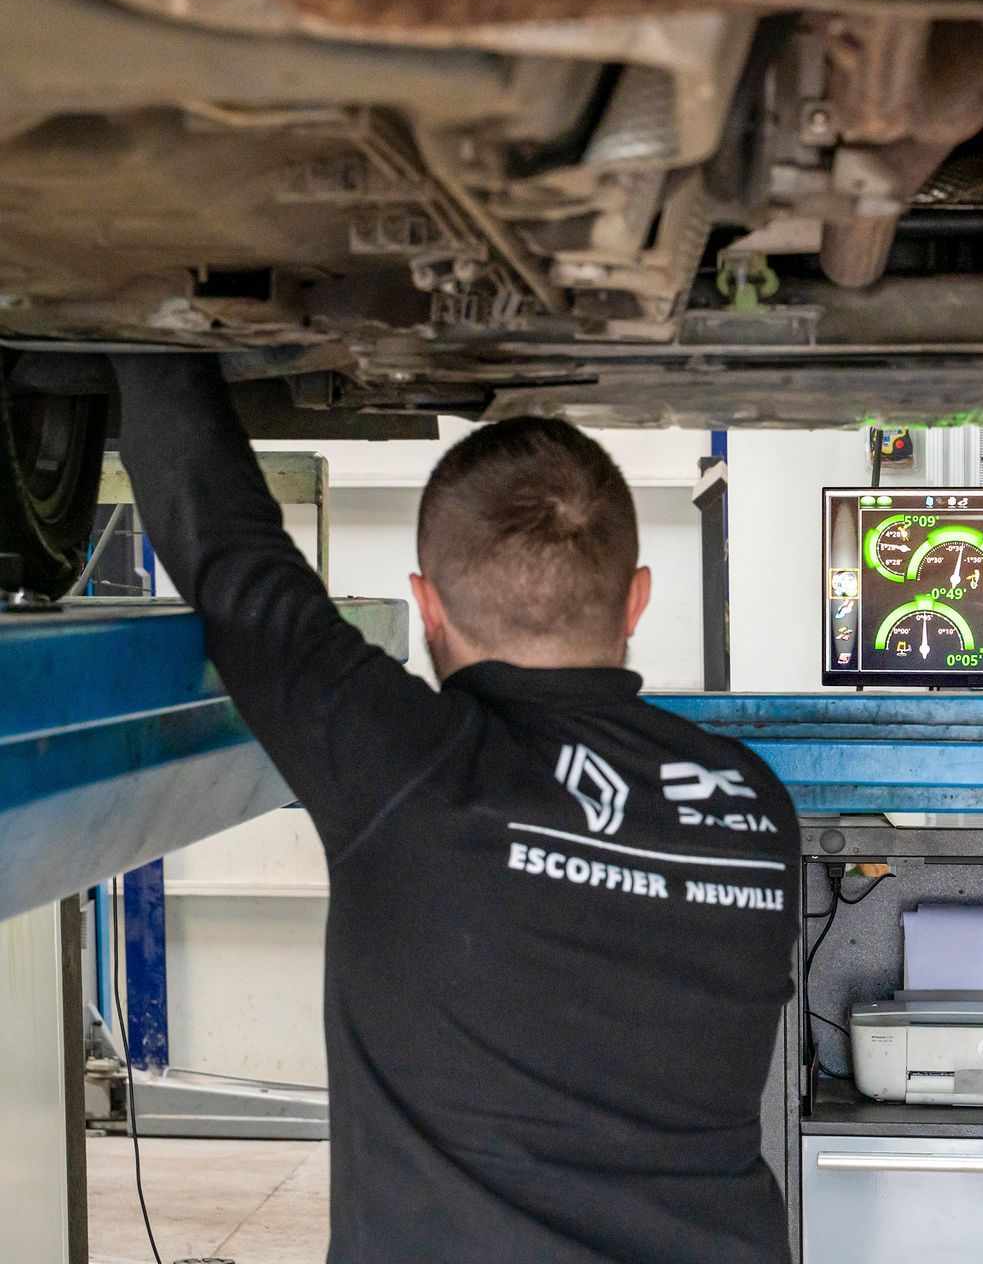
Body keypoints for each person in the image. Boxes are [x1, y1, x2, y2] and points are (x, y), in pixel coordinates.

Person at [114, 355, 799, 1264]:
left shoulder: (413, 771)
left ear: (426, 609)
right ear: (637, 597)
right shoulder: (753, 805)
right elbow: (233, 561)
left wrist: (142, 307)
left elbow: (237, 557)